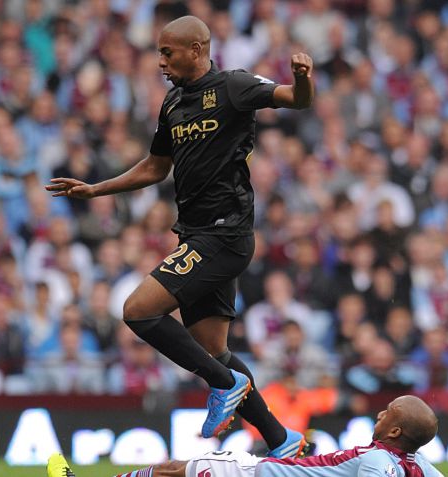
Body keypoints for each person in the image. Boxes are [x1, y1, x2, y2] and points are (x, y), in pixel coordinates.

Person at [46, 15, 314, 457]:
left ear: (197, 49)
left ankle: (224, 384)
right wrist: (96, 189)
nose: (160, 61)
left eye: (167, 52)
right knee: (214, 349)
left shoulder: (234, 86)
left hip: (224, 234)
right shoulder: (173, 103)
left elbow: (296, 100)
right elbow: (156, 167)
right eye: (159, 52)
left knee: (137, 310)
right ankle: (280, 440)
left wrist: (302, 79)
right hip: (195, 236)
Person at [47, 395, 444, 477]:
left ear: (395, 430)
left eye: (388, 412)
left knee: (173, 470)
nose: (380, 413)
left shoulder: (376, 460)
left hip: (255, 472)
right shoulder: (417, 463)